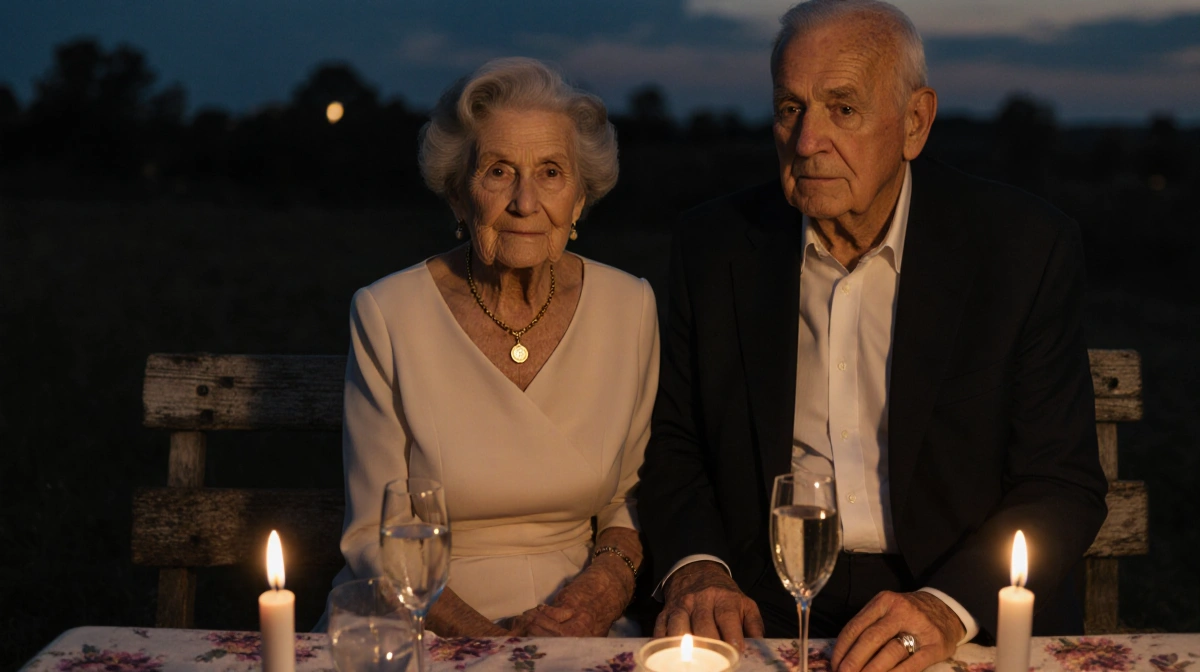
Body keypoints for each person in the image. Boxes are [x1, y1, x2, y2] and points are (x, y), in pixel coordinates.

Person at [637, 0, 1108, 669]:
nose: (806, 142)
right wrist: (699, 567)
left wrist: (947, 607)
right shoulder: (715, 247)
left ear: (915, 122)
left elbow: (1062, 485)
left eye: (843, 109)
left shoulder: (1020, 247)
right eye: (789, 107)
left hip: (953, 598)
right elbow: (675, 441)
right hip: (762, 600)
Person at [331, 57, 659, 638]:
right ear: (460, 196)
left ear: (579, 199)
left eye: (552, 173)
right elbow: (376, 534)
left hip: (575, 619)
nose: (526, 202)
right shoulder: (387, 314)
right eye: (500, 171)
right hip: (418, 616)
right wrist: (488, 644)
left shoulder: (630, 307)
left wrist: (595, 599)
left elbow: (628, 503)